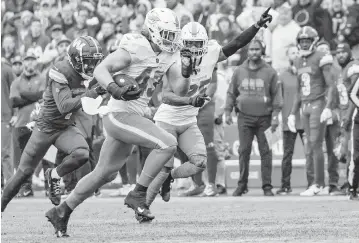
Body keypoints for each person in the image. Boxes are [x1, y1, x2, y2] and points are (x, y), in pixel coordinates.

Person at [45, 8, 185, 236]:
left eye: (173, 34)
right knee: (168, 143)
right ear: (153, 31)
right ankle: (139, 193)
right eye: (167, 34)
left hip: (133, 117)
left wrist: (187, 69)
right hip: (119, 114)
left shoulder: (170, 54)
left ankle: (61, 212)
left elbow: (180, 88)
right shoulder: (137, 45)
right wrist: (115, 89)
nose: (172, 39)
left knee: (105, 173)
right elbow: (101, 69)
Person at [145, 9, 273, 204]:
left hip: (189, 117)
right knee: (162, 164)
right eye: (190, 44)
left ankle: (169, 179)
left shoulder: (212, 52)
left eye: (198, 44)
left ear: (205, 43)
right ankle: (142, 203)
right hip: (169, 115)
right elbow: (166, 95)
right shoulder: (173, 57)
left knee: (198, 162)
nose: (195, 48)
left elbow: (237, 44)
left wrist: (256, 26)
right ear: (181, 43)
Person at [1, 36, 106, 212]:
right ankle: (1, 206)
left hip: (65, 127)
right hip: (46, 127)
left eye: (94, 61)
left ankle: (54, 175)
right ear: (75, 59)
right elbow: (64, 106)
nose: (91, 66)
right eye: (88, 62)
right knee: (24, 173)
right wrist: (94, 93)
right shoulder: (61, 70)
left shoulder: (90, 72)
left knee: (82, 153)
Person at [225, 39, 282, 197]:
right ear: (247, 52)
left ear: (262, 51)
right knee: (243, 151)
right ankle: (242, 185)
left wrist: (276, 116)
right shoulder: (239, 71)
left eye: (257, 49)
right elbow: (231, 93)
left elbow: (277, 95)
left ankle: (267, 187)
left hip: (266, 118)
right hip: (244, 117)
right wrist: (227, 111)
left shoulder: (270, 72)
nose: (254, 52)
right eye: (251, 49)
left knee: (266, 152)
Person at [287, 26, 335, 196]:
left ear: (314, 42)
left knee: (315, 144)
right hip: (305, 106)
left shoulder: (321, 57)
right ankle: (313, 183)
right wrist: (292, 113)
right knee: (309, 146)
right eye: (302, 41)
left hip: (318, 102)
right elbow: (299, 90)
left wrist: (328, 106)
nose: (305, 44)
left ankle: (319, 184)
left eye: (308, 41)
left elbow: (331, 84)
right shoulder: (298, 60)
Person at [9, 53, 46, 197]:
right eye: (27, 60)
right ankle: (25, 188)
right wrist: (35, 96)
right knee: (21, 159)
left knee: (40, 156)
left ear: (36, 62)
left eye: (32, 60)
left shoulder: (42, 78)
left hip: (39, 122)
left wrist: (23, 95)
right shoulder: (16, 81)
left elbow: (43, 96)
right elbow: (14, 102)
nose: (30, 63)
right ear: (23, 63)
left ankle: (49, 187)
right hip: (21, 123)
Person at [277, 44, 305, 195]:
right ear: (288, 57)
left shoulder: (307, 73)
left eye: (297, 52)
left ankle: (313, 185)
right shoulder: (282, 76)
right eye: (292, 53)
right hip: (289, 121)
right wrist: (280, 116)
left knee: (310, 153)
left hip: (306, 119)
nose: (295, 55)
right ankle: (285, 185)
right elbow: (279, 98)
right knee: (287, 154)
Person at [335, 42, 359, 200]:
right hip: (348, 114)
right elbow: (348, 94)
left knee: (349, 153)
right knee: (348, 153)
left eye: (343, 52)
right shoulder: (344, 70)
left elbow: (352, 95)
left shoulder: (353, 68)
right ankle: (350, 185)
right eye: (338, 52)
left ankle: (350, 185)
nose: (340, 55)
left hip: (351, 114)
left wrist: (348, 116)